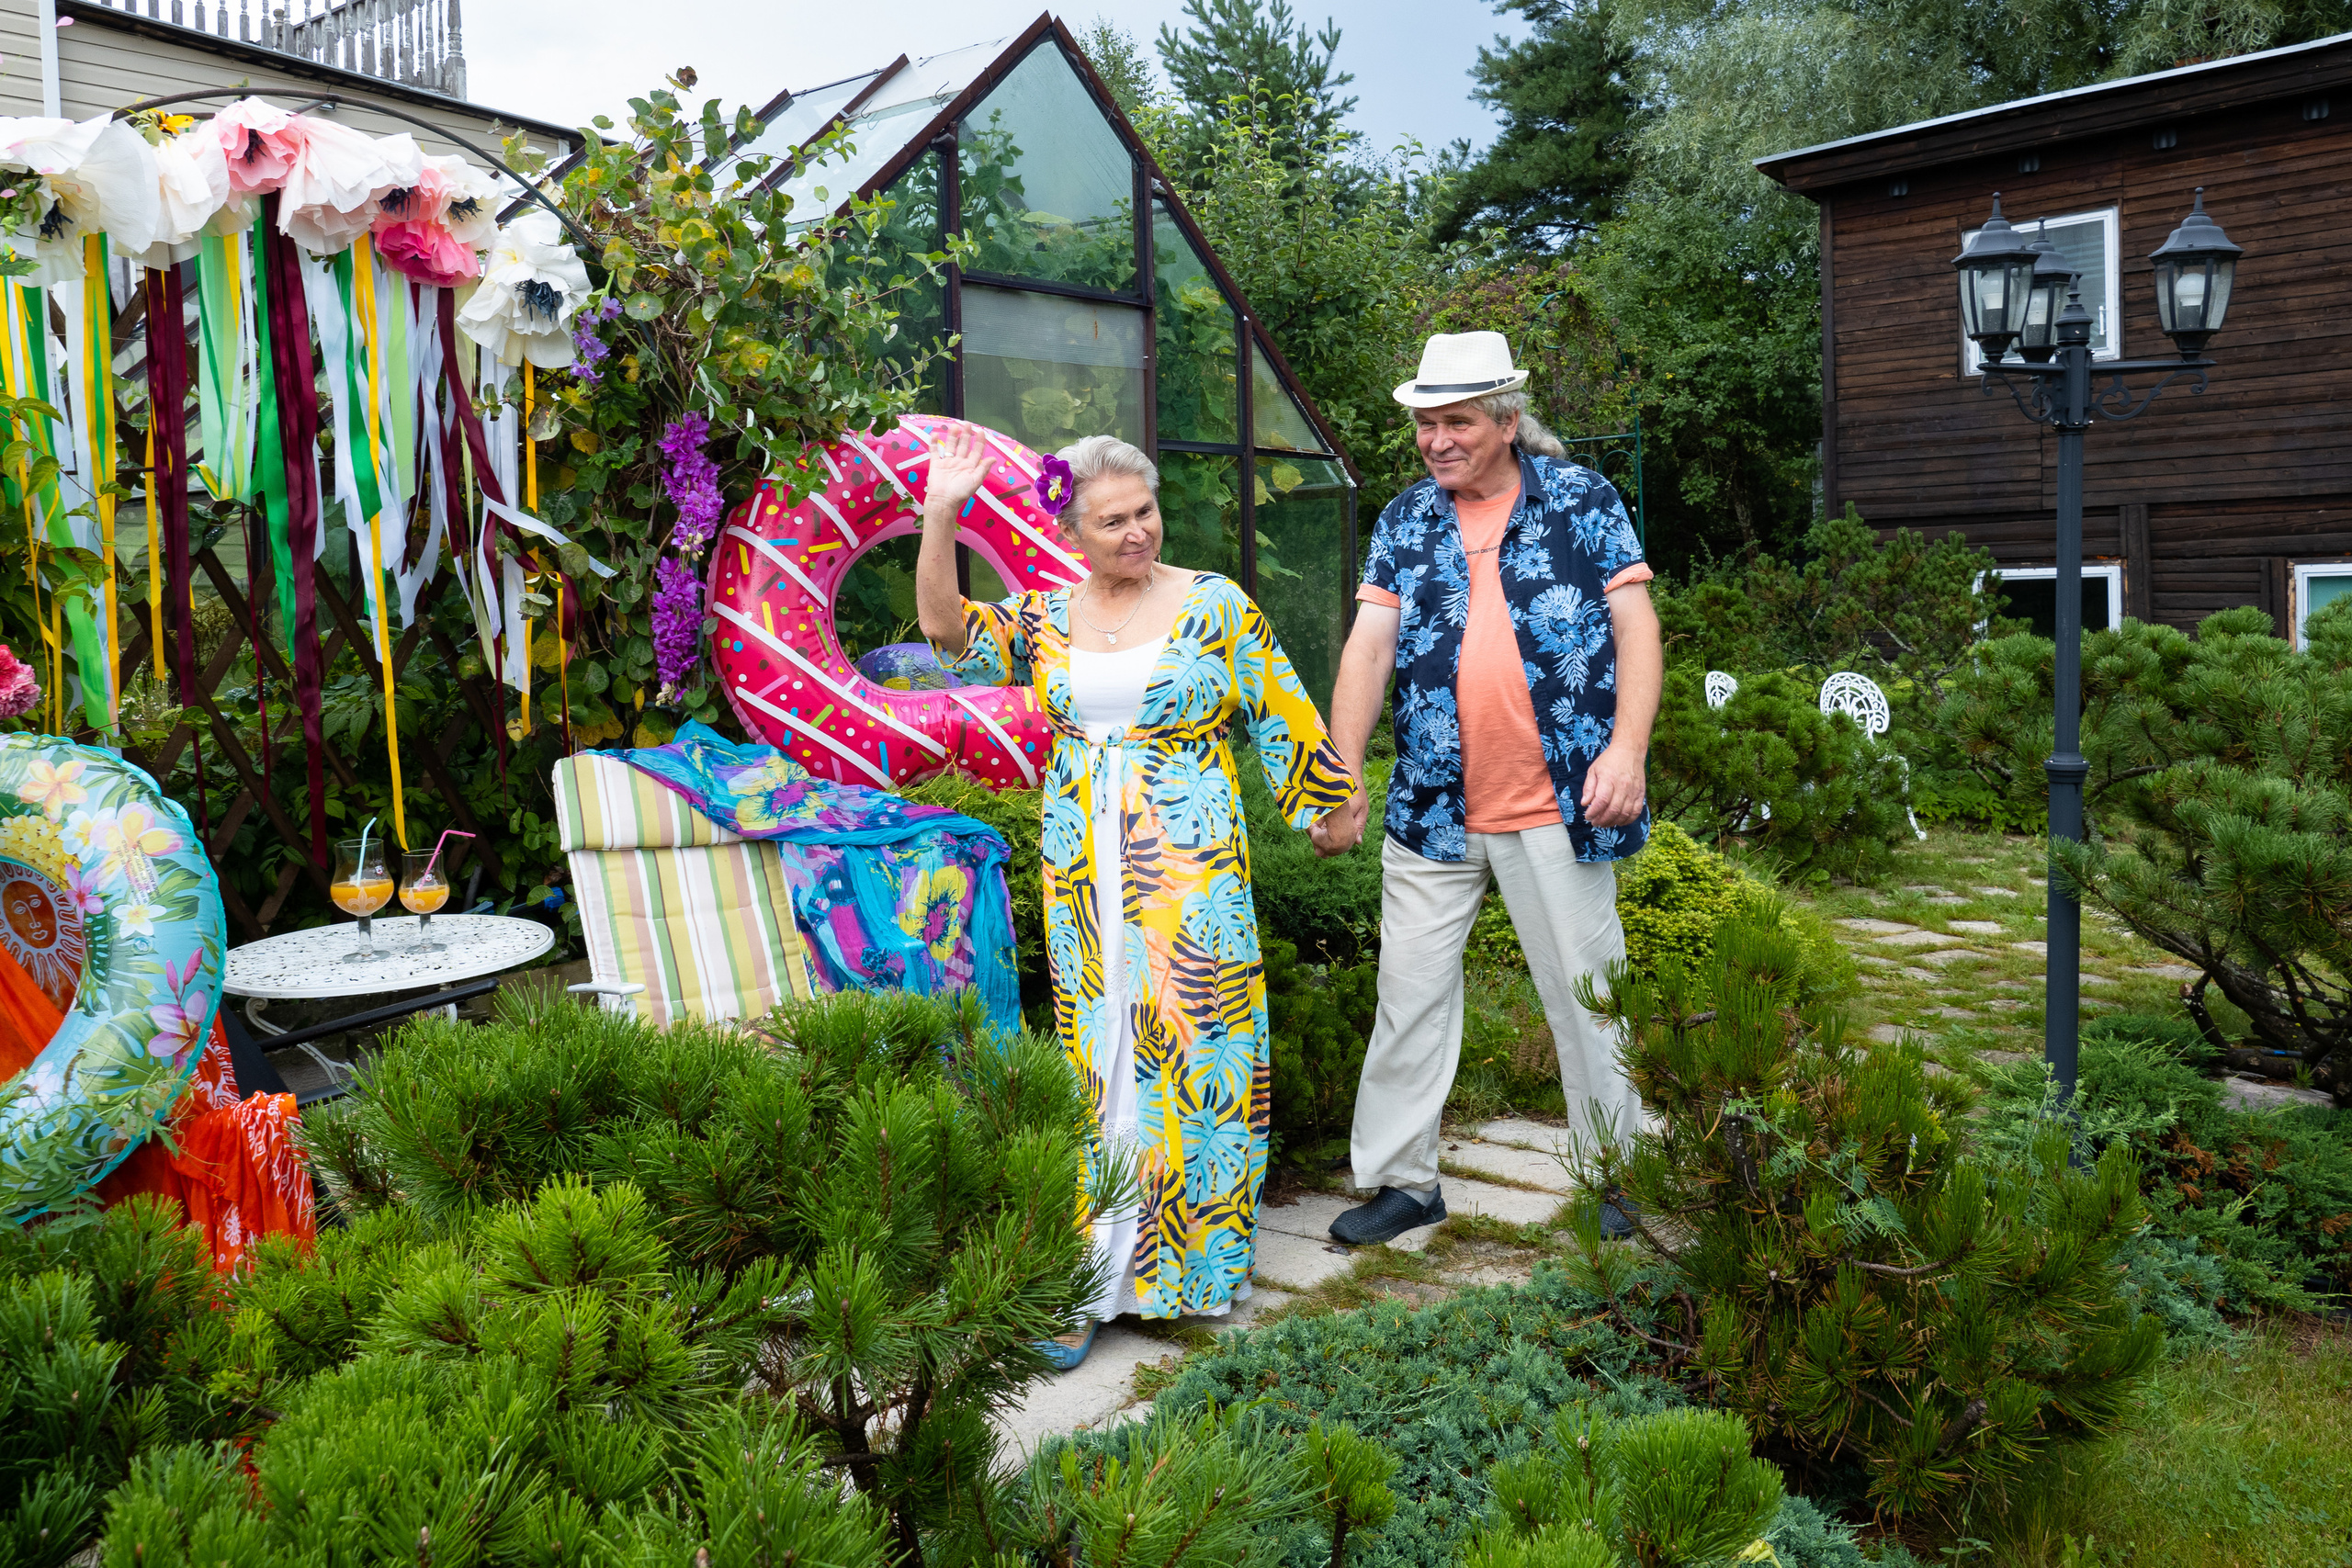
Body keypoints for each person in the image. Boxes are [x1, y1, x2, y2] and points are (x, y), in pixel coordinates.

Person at [916, 424, 1357, 1368]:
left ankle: (1183, 1275)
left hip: (1187, 872)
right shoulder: (1043, 616)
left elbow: (1280, 706)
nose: (1136, 533)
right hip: (1082, 869)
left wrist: (1324, 806)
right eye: (1111, 520)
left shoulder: (1213, 606)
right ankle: (1088, 1277)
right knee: (1100, 1059)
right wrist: (941, 515)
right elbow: (947, 635)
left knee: (1193, 1049)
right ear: (1072, 530)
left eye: (1145, 511)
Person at [1311, 331, 1663, 1247]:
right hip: (1431, 803)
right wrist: (1340, 771)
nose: (1436, 439)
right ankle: (1402, 1185)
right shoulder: (1404, 519)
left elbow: (1635, 628)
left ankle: (1617, 1176)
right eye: (1425, 423)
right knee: (1408, 997)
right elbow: (1369, 649)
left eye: (1455, 421)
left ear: (1506, 420)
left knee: (1588, 995)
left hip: (1562, 796)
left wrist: (1625, 750)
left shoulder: (1581, 500)